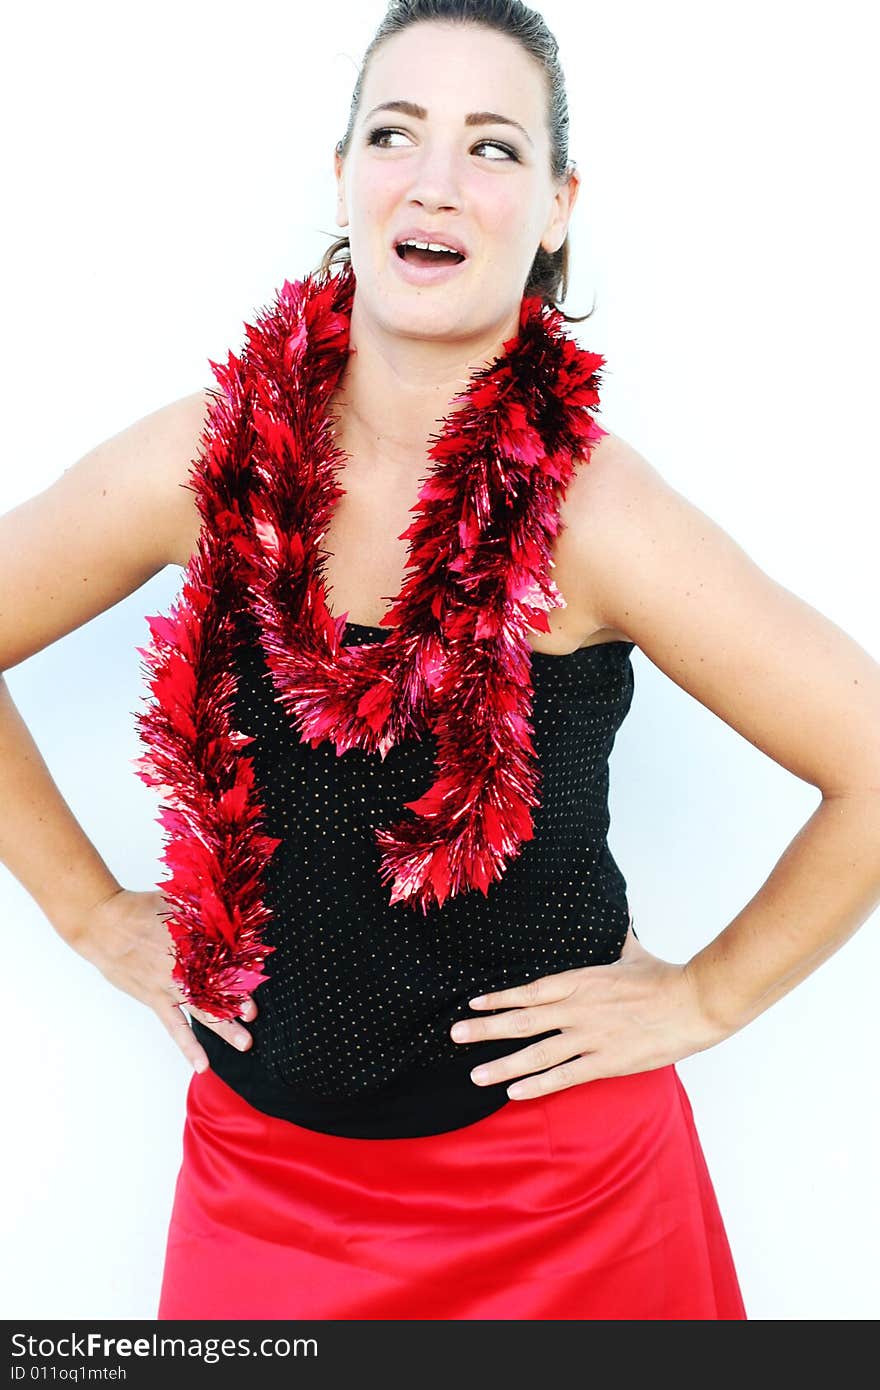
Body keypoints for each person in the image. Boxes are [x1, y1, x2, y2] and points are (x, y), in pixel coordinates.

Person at [1, 0, 878, 1322]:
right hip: (265, 1182)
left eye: (493, 147)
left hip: (566, 1200)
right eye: (397, 131)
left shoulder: (598, 511)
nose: (435, 179)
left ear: (559, 204)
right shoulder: (212, 457)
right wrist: (86, 913)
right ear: (346, 172)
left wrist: (707, 996)